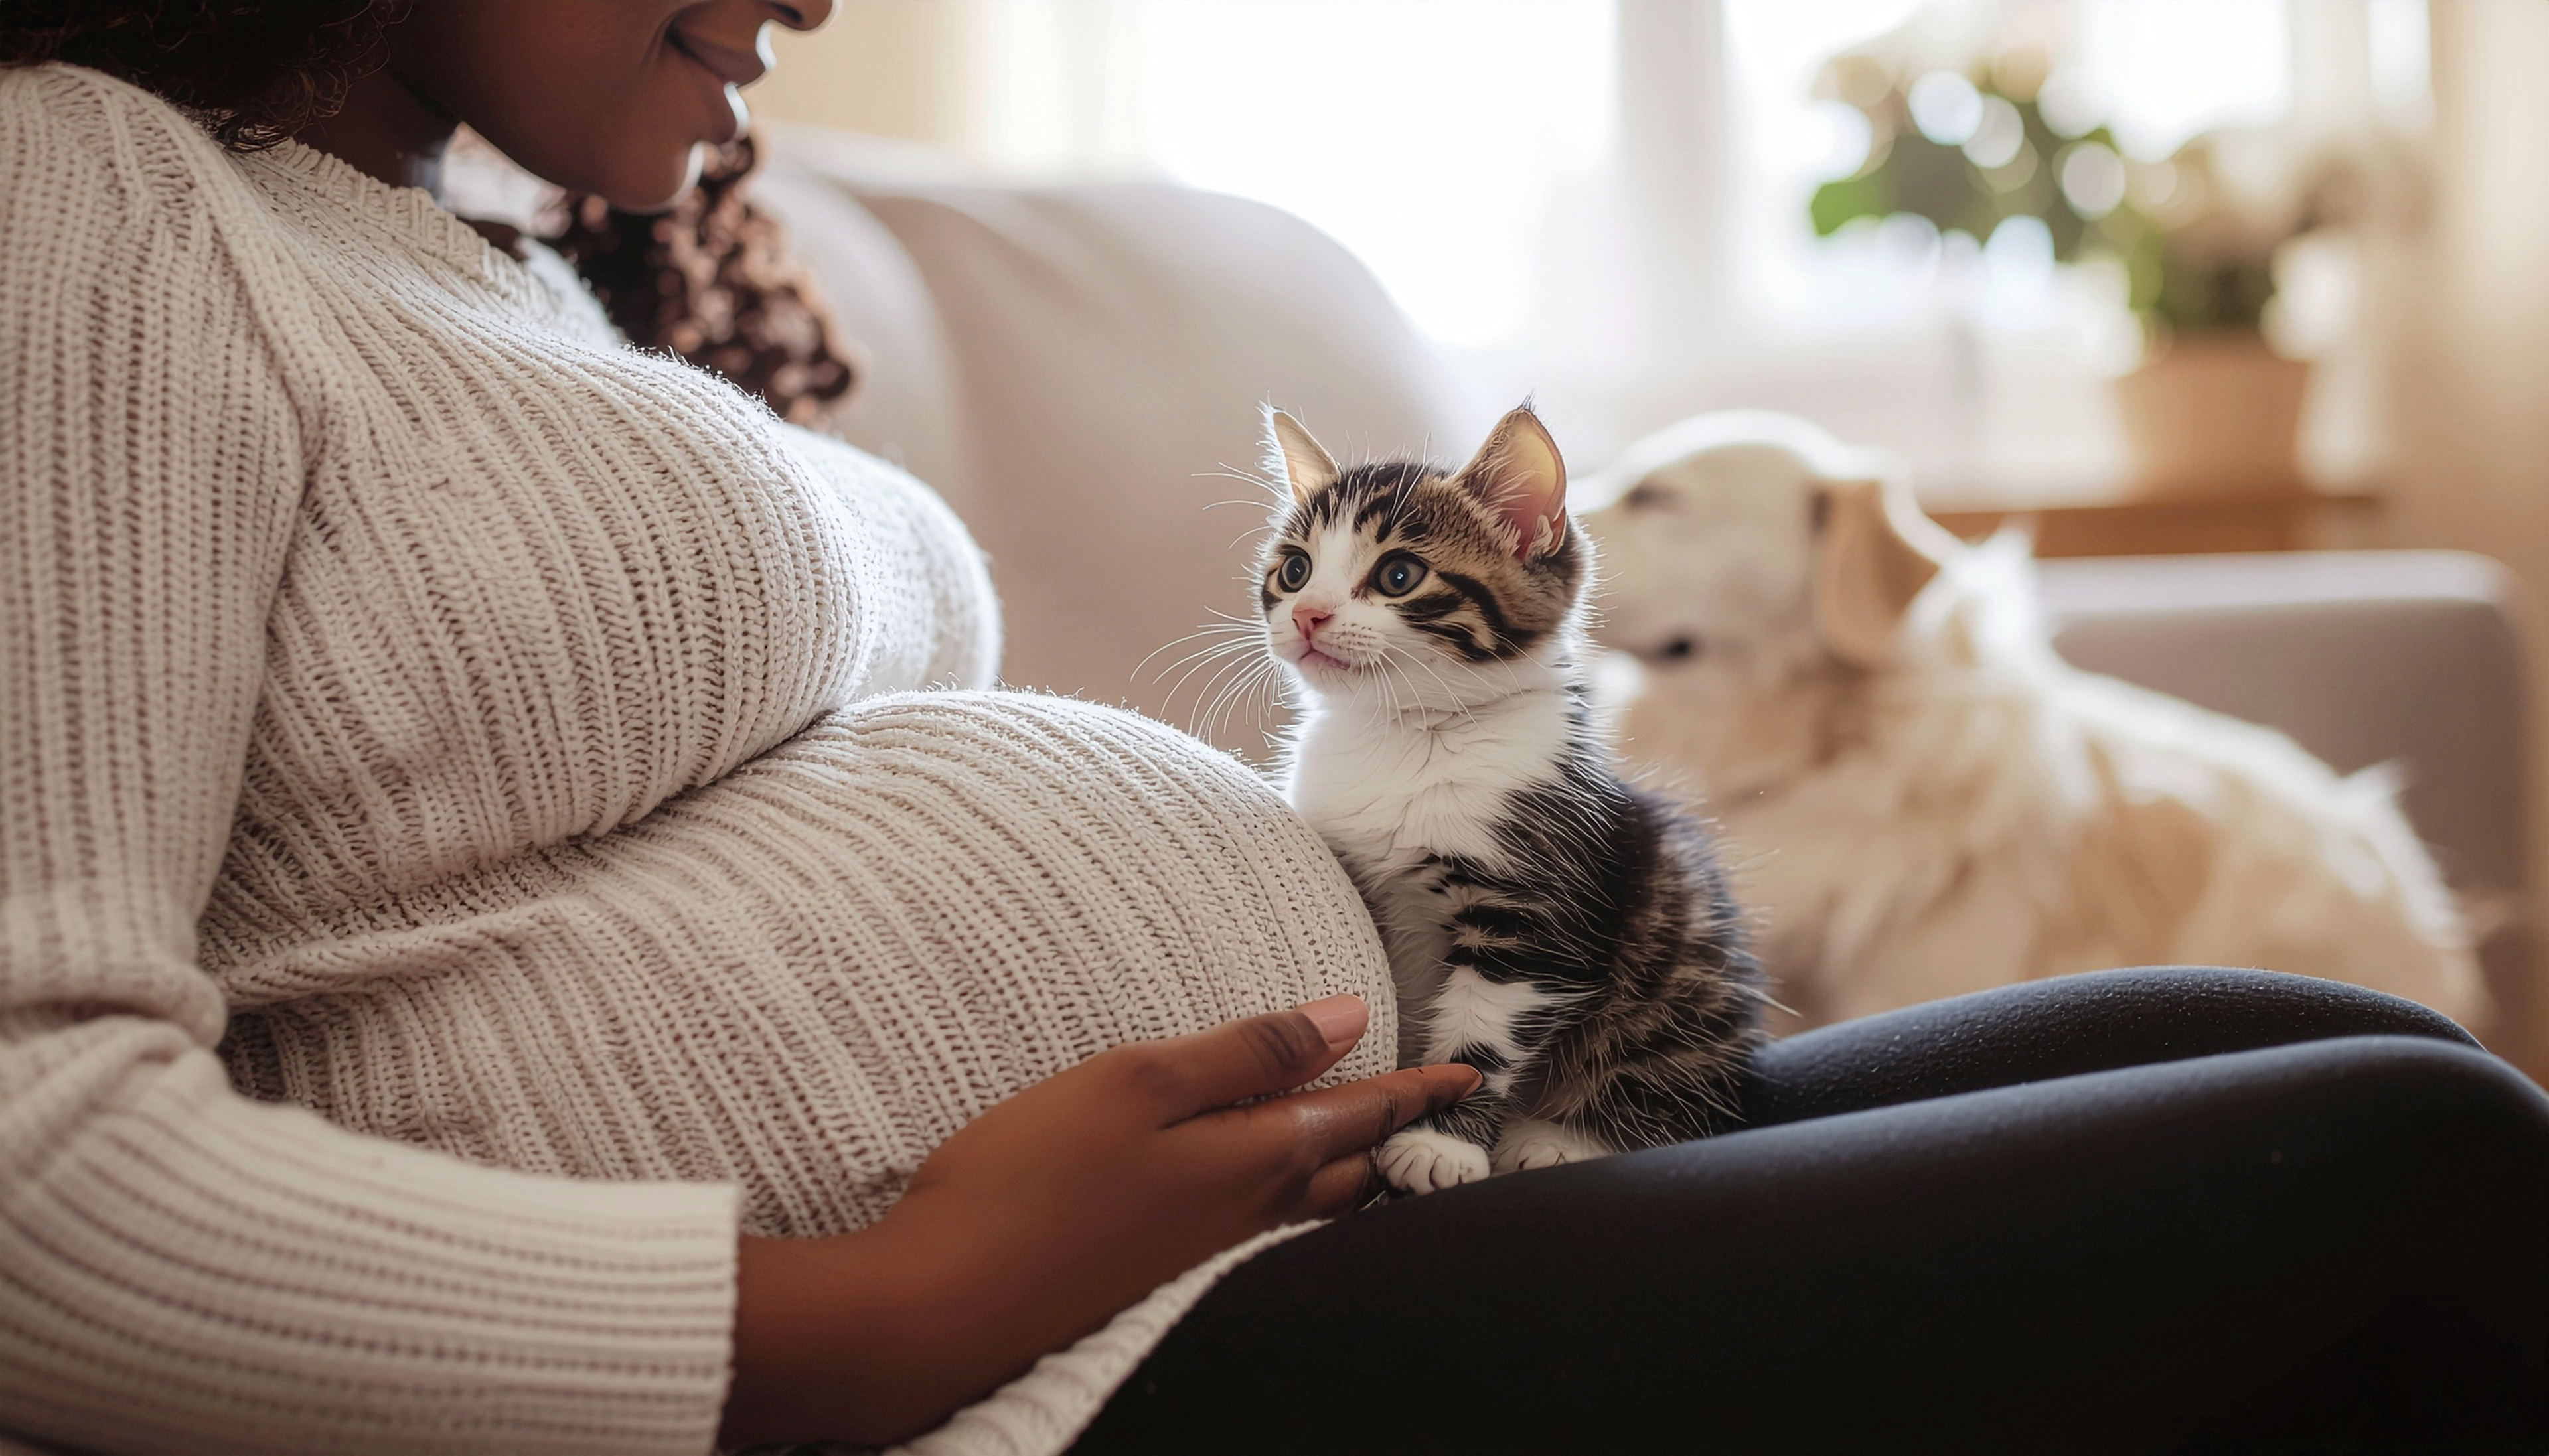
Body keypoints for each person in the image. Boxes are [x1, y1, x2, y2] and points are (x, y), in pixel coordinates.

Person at [0, 5, 2541, 1455]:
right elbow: (36, 1175)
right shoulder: (83, 204)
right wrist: (884, 1307)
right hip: (1036, 1380)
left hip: (1325, 1189)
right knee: (2416, 1162)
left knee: (2323, 1041)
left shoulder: (513, 270)